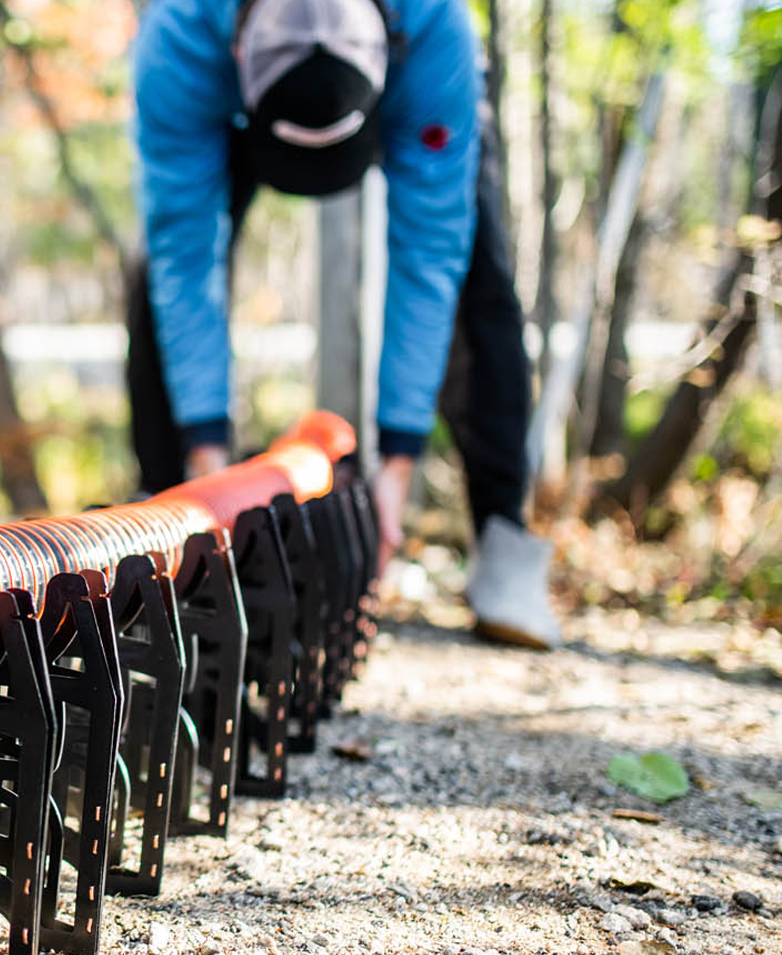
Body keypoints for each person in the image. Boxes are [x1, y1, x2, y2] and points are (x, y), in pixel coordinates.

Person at [126, 0, 562, 649]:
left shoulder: (433, 30)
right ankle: (165, 539)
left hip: (414, 73)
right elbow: (184, 260)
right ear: (242, 55)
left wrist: (397, 468)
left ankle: (503, 543)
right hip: (221, 79)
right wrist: (207, 479)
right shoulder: (179, 39)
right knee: (156, 277)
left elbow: (429, 255)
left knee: (477, 268)